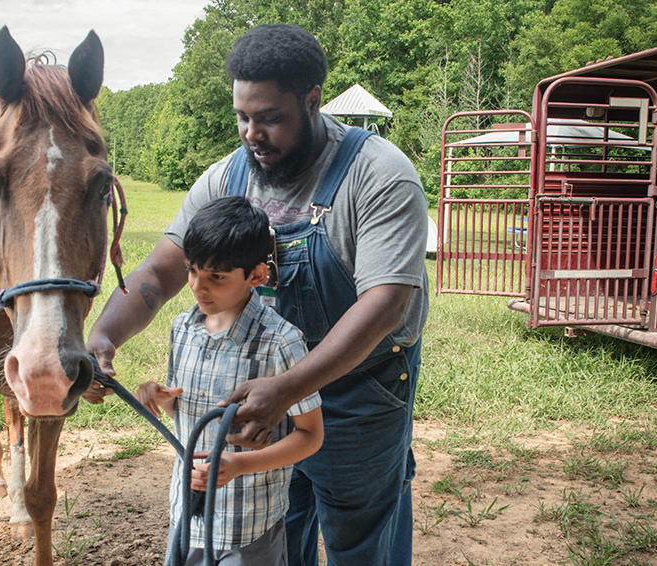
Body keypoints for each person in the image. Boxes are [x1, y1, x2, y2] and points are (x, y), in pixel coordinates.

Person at [86, 23, 428, 566]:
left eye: (269, 118)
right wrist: (102, 337)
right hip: (263, 395)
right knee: (279, 533)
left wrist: (290, 389)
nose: (251, 133)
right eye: (242, 117)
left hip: (359, 391)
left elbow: (386, 303)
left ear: (312, 100)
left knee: (359, 539)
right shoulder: (226, 179)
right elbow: (159, 273)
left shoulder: (379, 175)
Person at [135, 196, 323, 566]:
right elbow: (184, 406)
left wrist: (239, 466)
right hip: (187, 514)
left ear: (256, 275)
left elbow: (310, 436)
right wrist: (163, 397)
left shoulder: (280, 342)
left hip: (247, 525)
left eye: (216, 277)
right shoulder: (182, 329)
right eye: (192, 271)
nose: (198, 287)